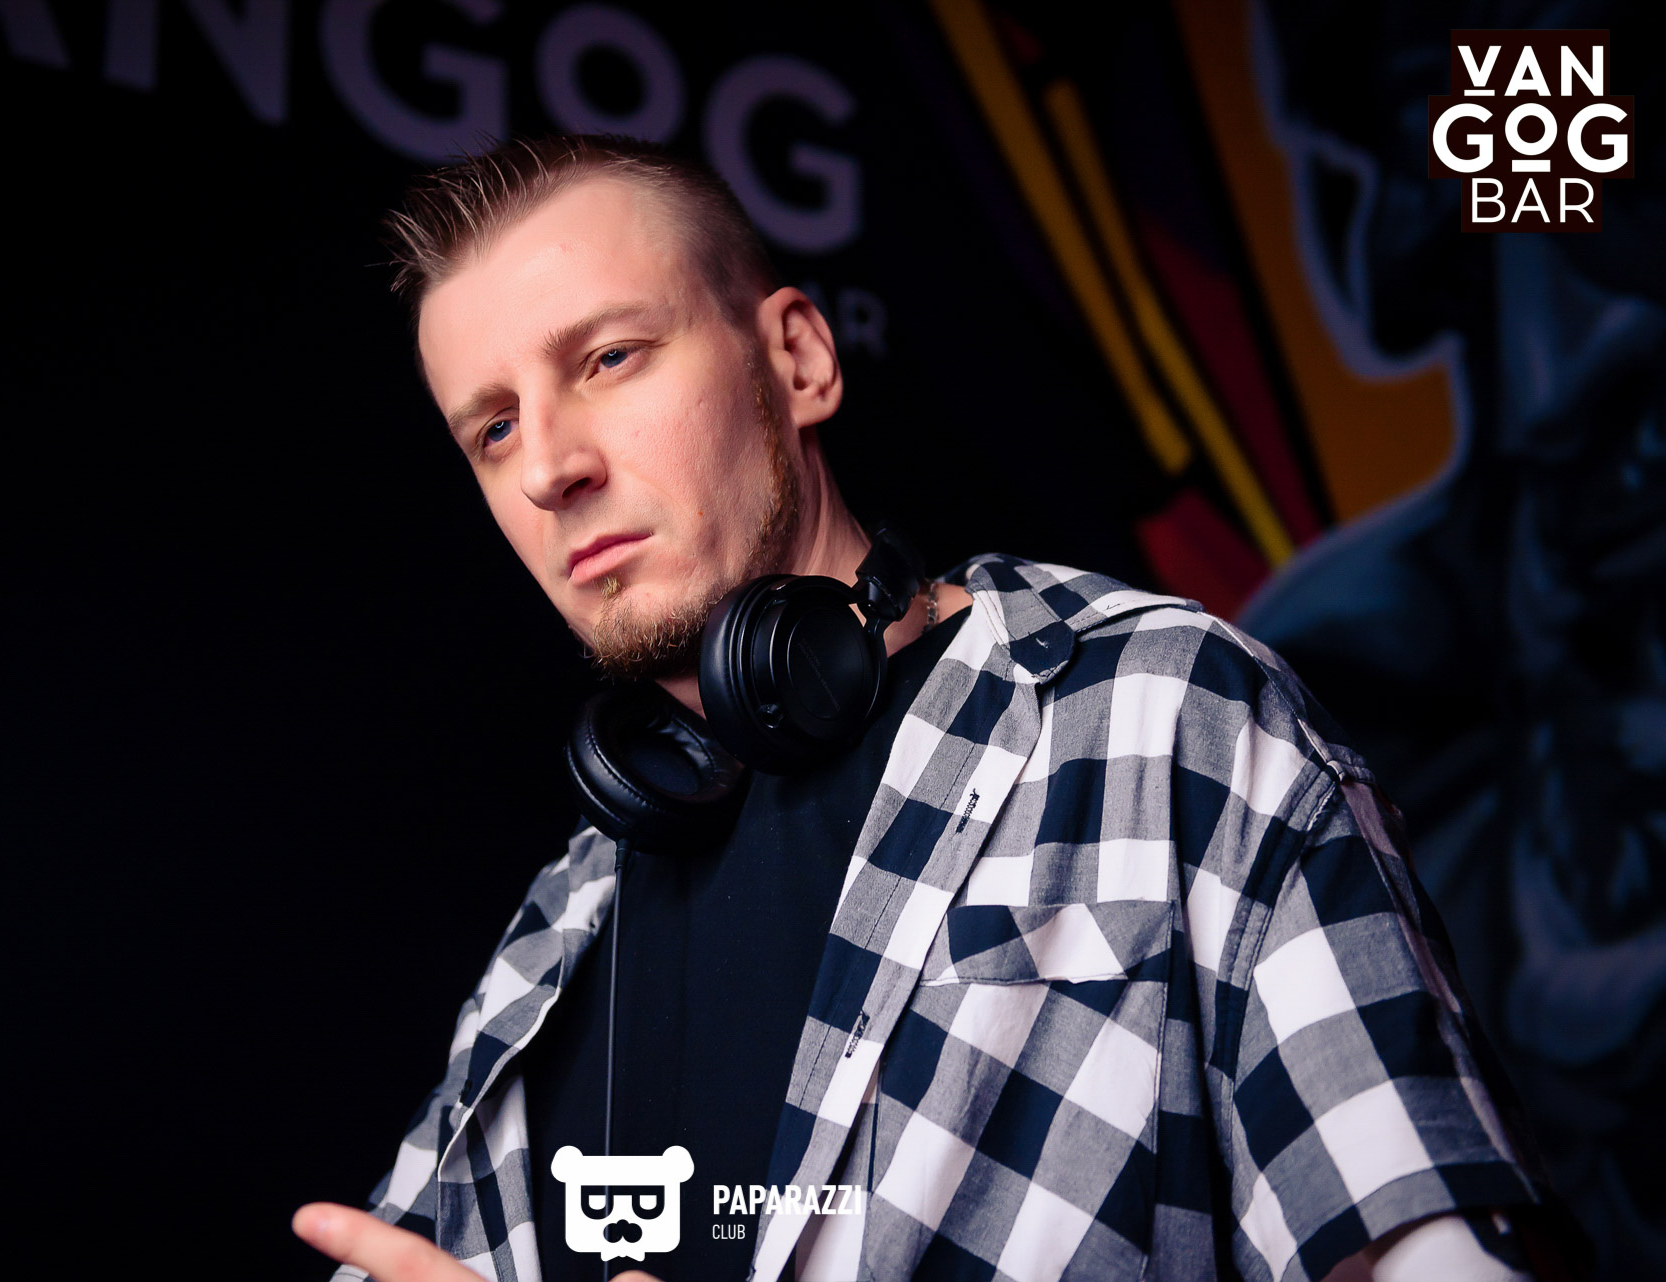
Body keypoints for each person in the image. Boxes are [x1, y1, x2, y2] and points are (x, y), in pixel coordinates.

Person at [293, 136, 1570, 1282]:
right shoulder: (559, 930)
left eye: (609, 359)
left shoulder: (1156, 714)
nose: (548, 466)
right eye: (493, 429)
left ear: (798, 358)